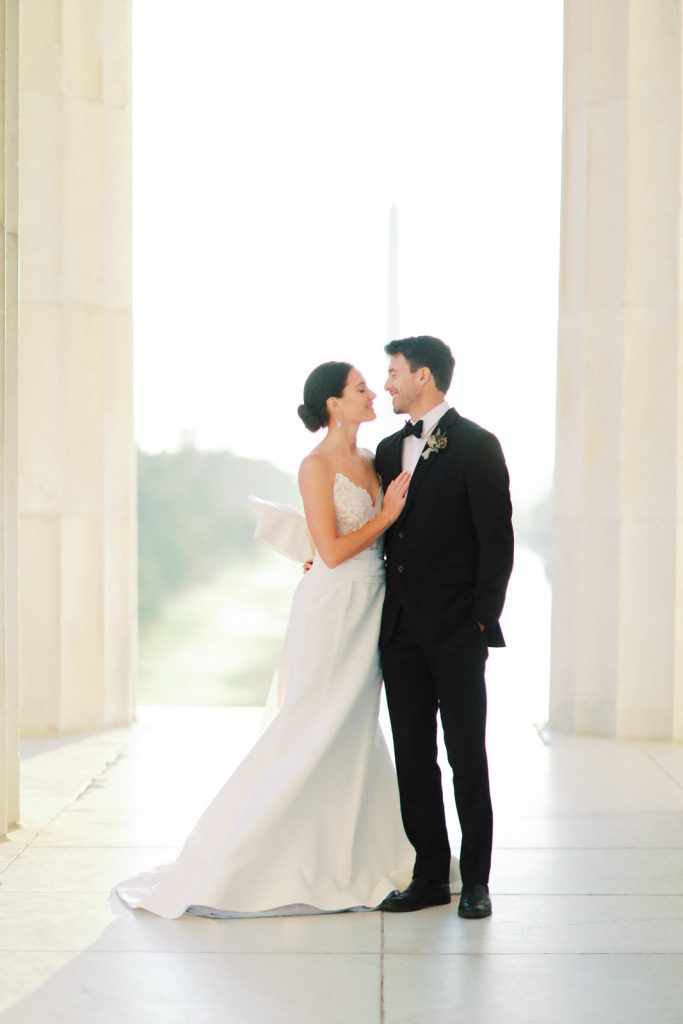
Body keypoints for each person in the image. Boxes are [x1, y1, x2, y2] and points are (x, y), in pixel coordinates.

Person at [116, 361, 414, 918]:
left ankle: (349, 854)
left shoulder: (372, 460)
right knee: (307, 726)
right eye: (360, 388)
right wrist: (390, 514)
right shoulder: (315, 465)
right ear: (333, 403)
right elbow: (328, 550)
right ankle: (246, 860)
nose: (372, 392)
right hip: (332, 607)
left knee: (352, 729)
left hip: (370, 604)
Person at [375, 336, 514, 919]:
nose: (387, 383)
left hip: (457, 629)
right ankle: (430, 874)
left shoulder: (477, 446)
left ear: (423, 377)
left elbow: (497, 541)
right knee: (412, 754)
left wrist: (480, 617)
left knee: (466, 755)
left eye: (393, 372)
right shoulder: (386, 450)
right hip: (400, 629)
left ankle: (476, 881)